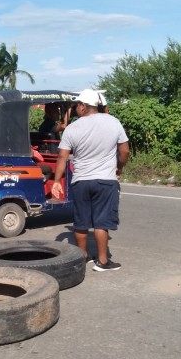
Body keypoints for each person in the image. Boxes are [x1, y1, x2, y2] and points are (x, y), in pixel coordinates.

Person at [51, 89, 129, 272]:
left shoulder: (72, 128)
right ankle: (102, 261)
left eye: (77, 105)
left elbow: (62, 157)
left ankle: (82, 256)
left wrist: (56, 181)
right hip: (105, 181)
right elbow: (124, 151)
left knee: (81, 221)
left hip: (81, 182)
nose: (77, 108)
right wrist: (120, 167)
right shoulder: (113, 122)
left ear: (84, 106)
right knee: (102, 222)